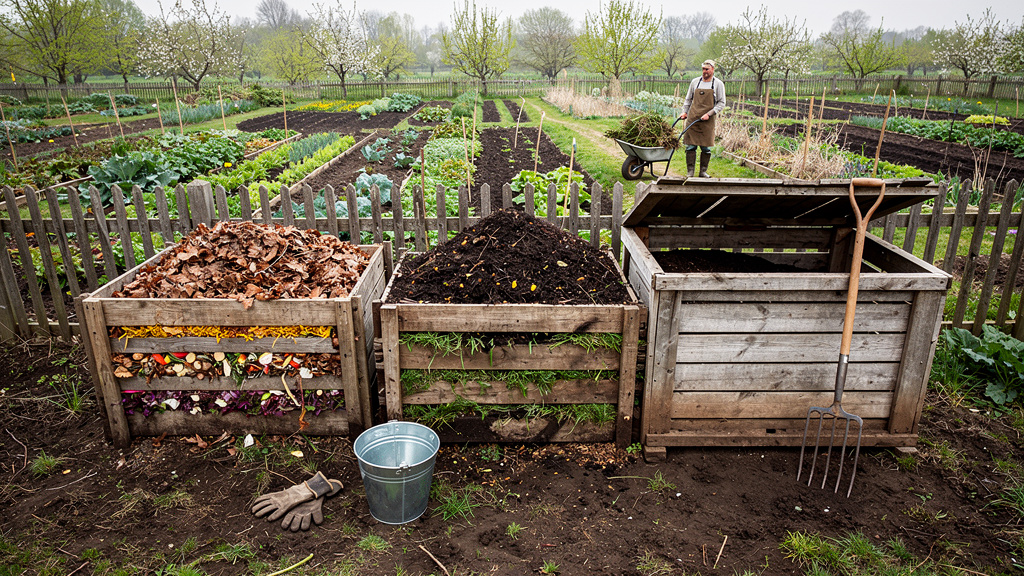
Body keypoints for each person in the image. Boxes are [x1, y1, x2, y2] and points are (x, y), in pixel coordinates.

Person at [679, 59, 726, 178]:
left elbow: (721, 103)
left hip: (707, 120)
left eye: (707, 69)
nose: (704, 72)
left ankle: (703, 171)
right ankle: (690, 172)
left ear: (712, 70)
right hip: (693, 118)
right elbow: (688, 99)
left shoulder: (718, 84)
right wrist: (684, 112)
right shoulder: (695, 82)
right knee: (690, 146)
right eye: (703, 69)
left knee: (705, 147)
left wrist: (709, 114)